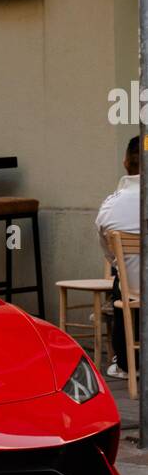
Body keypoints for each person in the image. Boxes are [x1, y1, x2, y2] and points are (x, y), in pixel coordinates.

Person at [96, 135, 140, 379]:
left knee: (120, 280)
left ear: (125, 162)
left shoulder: (111, 206)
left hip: (131, 288)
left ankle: (125, 362)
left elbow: (110, 254)